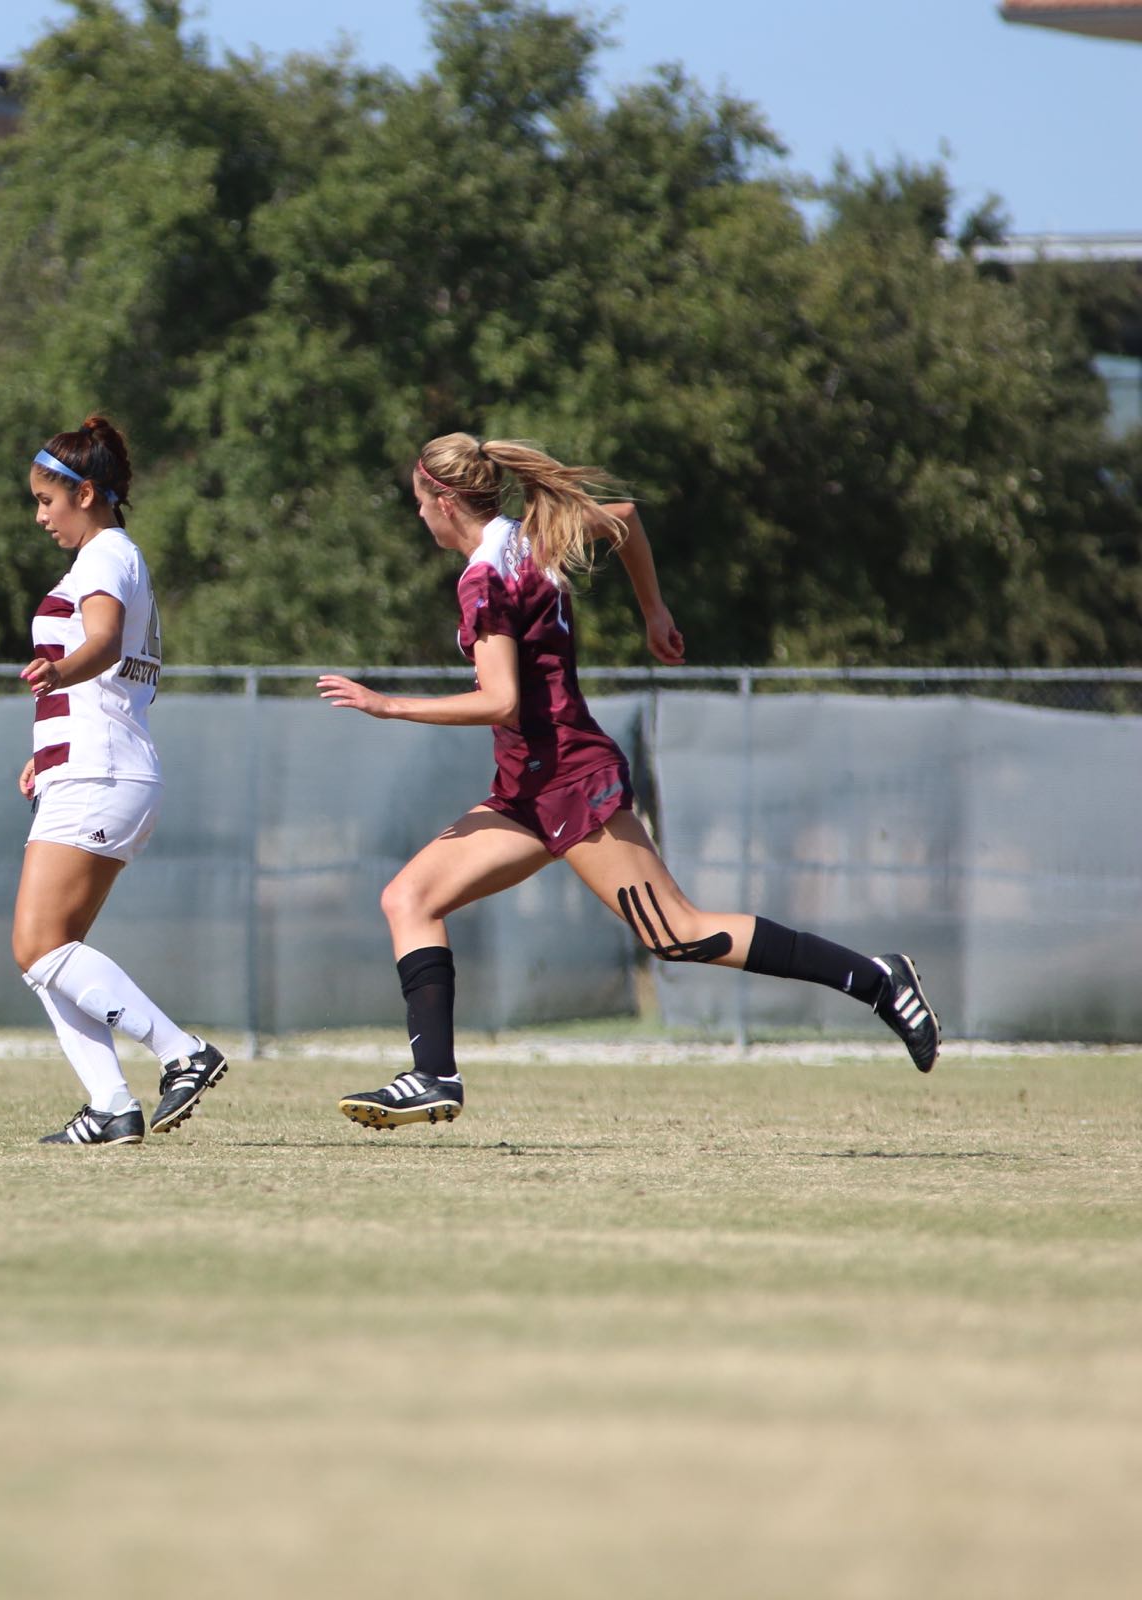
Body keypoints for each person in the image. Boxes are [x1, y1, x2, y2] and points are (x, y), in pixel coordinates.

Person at [319, 433, 940, 1128]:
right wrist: (653, 611)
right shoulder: (531, 537)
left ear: (445, 500)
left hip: (571, 784)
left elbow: (501, 701)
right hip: (528, 788)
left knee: (679, 934)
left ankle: (877, 980)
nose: (419, 518)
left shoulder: (485, 577)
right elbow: (626, 518)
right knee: (409, 897)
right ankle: (433, 1076)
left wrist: (386, 703)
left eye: (418, 503)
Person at [14, 415, 226, 1146]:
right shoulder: (112, 555)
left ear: (89, 493)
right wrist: (46, 746)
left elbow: (100, 644)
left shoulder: (106, 554)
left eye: (48, 500)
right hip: (96, 764)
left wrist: (57, 673)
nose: (41, 516)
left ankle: (180, 1052)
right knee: (51, 957)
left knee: (38, 946)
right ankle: (111, 1106)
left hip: (102, 772)